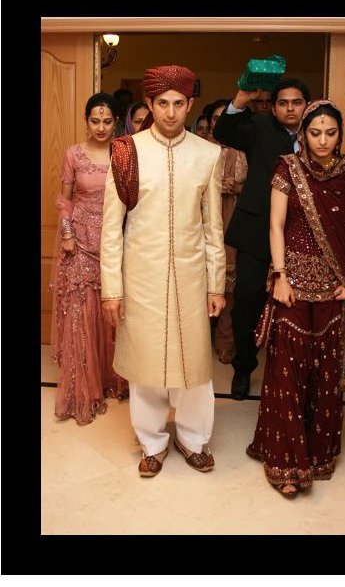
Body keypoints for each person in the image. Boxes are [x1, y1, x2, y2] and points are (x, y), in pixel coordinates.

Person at [100, 65, 226, 478]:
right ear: (150, 104)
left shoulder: (208, 155)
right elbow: (111, 229)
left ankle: (193, 440)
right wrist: (112, 289)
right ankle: (152, 443)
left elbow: (213, 229)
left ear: (190, 104)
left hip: (191, 278)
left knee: (195, 367)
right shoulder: (127, 152)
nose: (171, 112)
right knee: (146, 365)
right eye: (162, 103)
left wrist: (216, 284)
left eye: (179, 103)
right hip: (141, 277)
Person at [246, 99, 345, 496]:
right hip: (293, 284)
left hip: (333, 287)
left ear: (340, 134)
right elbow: (276, 225)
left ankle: (317, 456)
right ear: (303, 133)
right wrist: (280, 276)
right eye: (315, 132)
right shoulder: (288, 168)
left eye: (330, 133)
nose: (322, 140)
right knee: (287, 371)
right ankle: (285, 462)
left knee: (325, 373)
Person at [213, 77, 311, 399]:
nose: (290, 108)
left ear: (306, 105)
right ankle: (243, 367)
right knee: (247, 301)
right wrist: (242, 98)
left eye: (296, 102)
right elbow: (224, 132)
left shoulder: (317, 132)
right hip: (257, 229)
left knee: (297, 304)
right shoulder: (260, 126)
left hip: (300, 231)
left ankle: (293, 372)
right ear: (274, 107)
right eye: (283, 103)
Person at [50, 92, 129, 425]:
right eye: (95, 121)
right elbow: (64, 200)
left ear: (116, 122)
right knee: (82, 314)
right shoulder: (73, 154)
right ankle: (82, 389)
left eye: (107, 121)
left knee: (111, 311)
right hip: (79, 241)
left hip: (114, 242)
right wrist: (67, 234)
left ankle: (112, 379)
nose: (101, 127)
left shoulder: (123, 153)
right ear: (86, 121)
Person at [208, 100, 247, 364]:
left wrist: (236, 187)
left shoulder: (243, 150)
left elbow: (258, 186)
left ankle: (225, 342)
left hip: (232, 220)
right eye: (216, 118)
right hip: (202, 223)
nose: (220, 122)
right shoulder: (200, 150)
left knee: (229, 289)